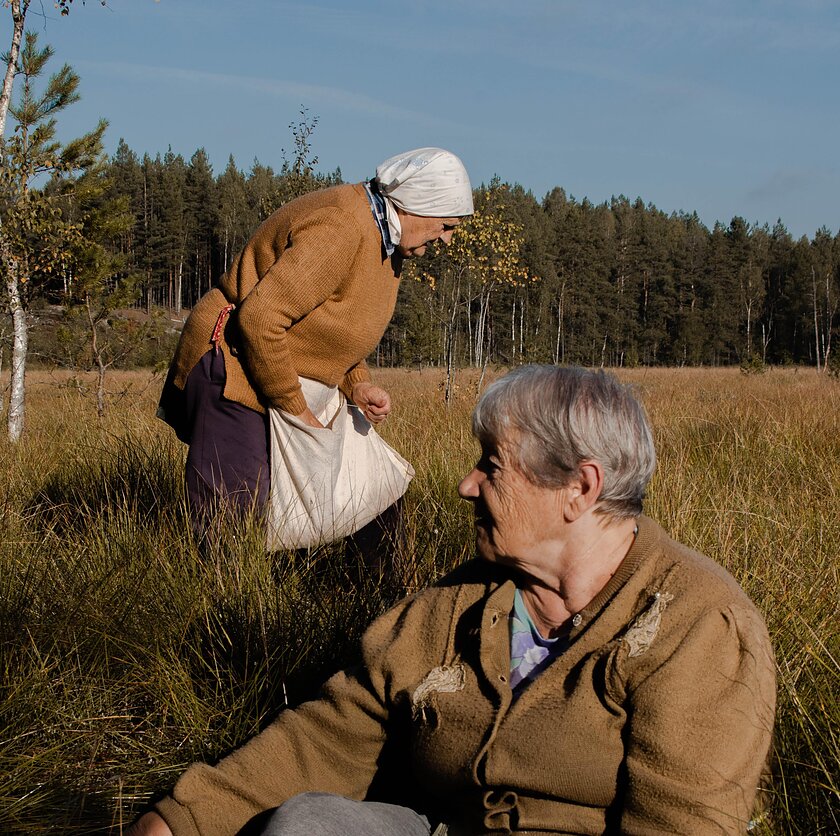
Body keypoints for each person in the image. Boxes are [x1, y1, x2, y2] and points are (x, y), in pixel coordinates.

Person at [132, 365, 776, 835]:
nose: (466, 484)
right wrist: (179, 820)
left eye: (492, 465)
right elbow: (329, 735)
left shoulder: (697, 625)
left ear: (580, 488)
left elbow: (680, 826)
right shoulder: (460, 602)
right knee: (308, 824)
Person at [157, 147, 474, 535]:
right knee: (236, 512)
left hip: (277, 365)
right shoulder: (342, 226)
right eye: (446, 226)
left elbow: (328, 325)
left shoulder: (387, 243)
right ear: (417, 204)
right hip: (231, 363)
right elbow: (260, 318)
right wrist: (296, 409)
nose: (446, 240)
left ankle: (378, 593)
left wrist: (357, 384)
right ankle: (223, 593)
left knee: (375, 493)